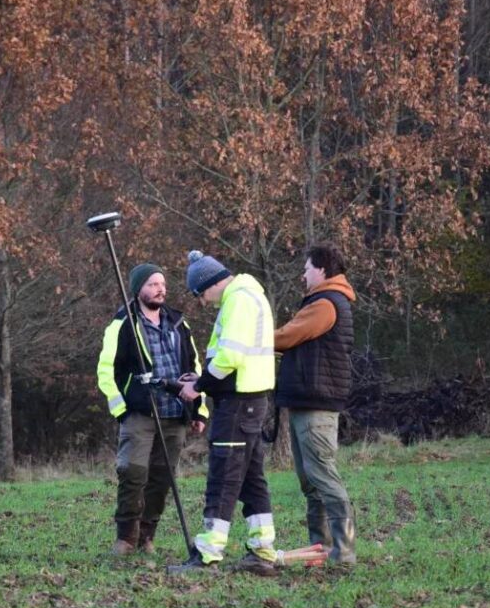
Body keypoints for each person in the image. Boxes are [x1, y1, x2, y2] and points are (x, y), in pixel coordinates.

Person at [171, 251, 278, 576]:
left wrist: (199, 385)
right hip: (250, 401)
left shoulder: (238, 301)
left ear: (211, 283)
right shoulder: (249, 295)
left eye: (200, 294)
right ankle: (262, 550)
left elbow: (230, 356)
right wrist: (204, 381)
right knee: (250, 479)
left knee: (223, 478)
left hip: (237, 404)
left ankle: (207, 555)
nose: (203, 302)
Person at [97, 263, 208, 556]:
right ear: (138, 290)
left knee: (162, 478)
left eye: (162, 283)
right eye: (152, 284)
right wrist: (121, 409)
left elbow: (194, 368)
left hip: (175, 412)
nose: (160, 289)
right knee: (132, 472)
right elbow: (106, 371)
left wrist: (198, 410)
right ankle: (126, 539)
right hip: (139, 413)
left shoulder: (178, 323)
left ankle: (147, 537)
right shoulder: (122, 324)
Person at [273, 244, 357, 565]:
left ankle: (343, 552)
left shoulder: (324, 304)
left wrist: (251, 341)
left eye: (307, 268)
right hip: (306, 401)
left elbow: (287, 336)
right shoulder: (324, 301)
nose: (303, 274)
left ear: (321, 269)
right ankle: (318, 549)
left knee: (323, 475)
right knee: (311, 481)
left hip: (316, 403)